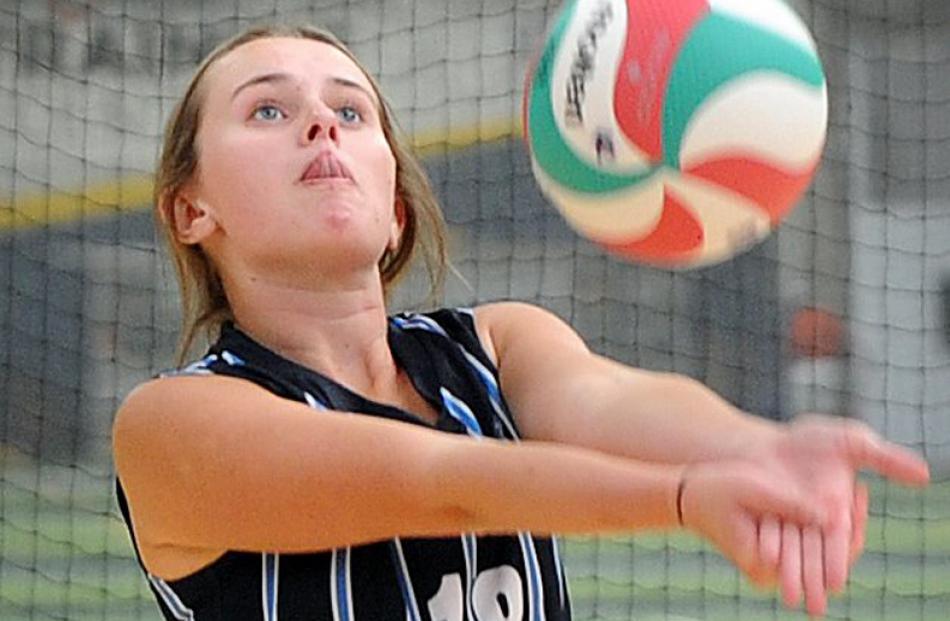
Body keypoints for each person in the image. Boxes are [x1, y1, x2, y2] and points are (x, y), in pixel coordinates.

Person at [111, 24, 930, 621]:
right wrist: (685, 495)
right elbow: (441, 485)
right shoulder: (170, 424)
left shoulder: (496, 345)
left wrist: (760, 445)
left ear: (395, 210)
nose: (323, 124)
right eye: (266, 112)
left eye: (352, 112)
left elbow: (611, 404)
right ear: (190, 208)